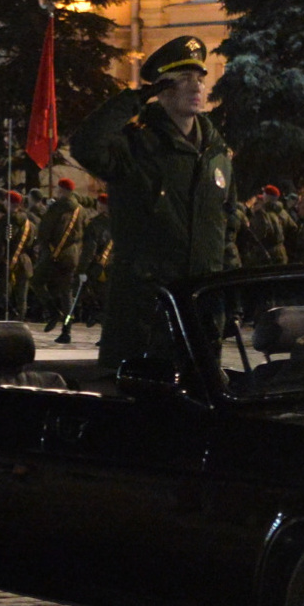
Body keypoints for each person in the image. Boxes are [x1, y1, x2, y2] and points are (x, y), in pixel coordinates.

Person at [64, 34, 232, 369]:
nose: (196, 86)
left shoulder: (217, 154)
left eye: (199, 78)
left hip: (200, 314)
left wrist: (228, 297)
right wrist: (138, 98)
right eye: (184, 79)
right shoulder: (136, 147)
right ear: (163, 87)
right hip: (144, 313)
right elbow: (85, 144)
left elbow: (226, 228)